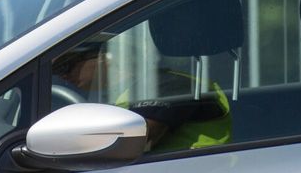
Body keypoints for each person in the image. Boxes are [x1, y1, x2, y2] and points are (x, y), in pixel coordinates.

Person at [53, 42, 231, 152]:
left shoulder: (171, 84)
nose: (63, 77)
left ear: (104, 57)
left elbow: (137, 142)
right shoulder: (118, 93)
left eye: (65, 67)